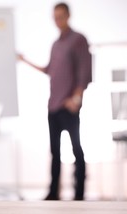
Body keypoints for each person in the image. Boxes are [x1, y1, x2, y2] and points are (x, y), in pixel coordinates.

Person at [18, 2, 92, 200]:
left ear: (68, 16)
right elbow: (48, 70)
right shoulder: (56, 44)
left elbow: (84, 72)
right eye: (55, 17)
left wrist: (76, 99)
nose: (57, 21)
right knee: (55, 153)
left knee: (77, 150)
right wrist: (24, 61)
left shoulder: (78, 40)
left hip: (69, 106)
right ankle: (53, 193)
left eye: (61, 16)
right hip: (53, 106)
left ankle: (79, 195)